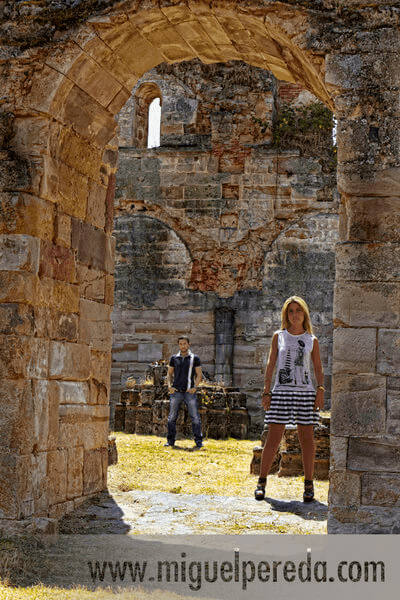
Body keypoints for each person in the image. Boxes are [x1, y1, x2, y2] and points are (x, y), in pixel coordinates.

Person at [255, 296, 325, 502]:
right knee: (273, 438)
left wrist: (320, 391)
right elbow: (270, 365)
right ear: (286, 315)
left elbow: (318, 369)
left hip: (305, 393)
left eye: (298, 310)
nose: (295, 315)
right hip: (281, 391)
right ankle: (261, 482)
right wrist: (266, 392)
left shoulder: (312, 340)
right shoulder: (279, 336)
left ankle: (309, 485)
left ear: (305, 313)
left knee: (307, 440)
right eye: (291, 311)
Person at [165, 336, 204, 449]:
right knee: (172, 417)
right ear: (178, 345)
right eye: (181, 344)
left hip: (189, 392)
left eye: (185, 343)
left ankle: (198, 442)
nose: (183, 346)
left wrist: (195, 387)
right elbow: (169, 374)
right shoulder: (174, 358)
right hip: (176, 391)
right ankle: (170, 441)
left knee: (195, 417)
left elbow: (199, 375)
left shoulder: (194, 358)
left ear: (188, 344)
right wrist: (169, 387)